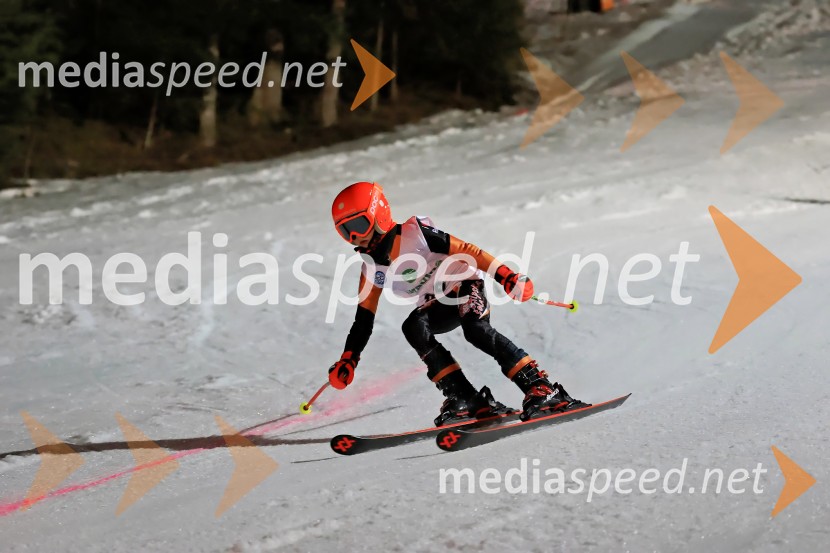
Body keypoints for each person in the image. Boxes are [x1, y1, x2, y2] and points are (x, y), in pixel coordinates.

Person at [328, 181, 586, 426]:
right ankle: (466, 399)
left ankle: (541, 388)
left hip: (465, 287)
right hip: (438, 303)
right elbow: (363, 319)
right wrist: (349, 359)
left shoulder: (417, 235)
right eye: (345, 231)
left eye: (359, 225)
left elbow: (468, 250)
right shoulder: (372, 269)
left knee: (475, 330)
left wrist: (506, 276)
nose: (355, 237)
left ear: (379, 213)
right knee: (413, 327)